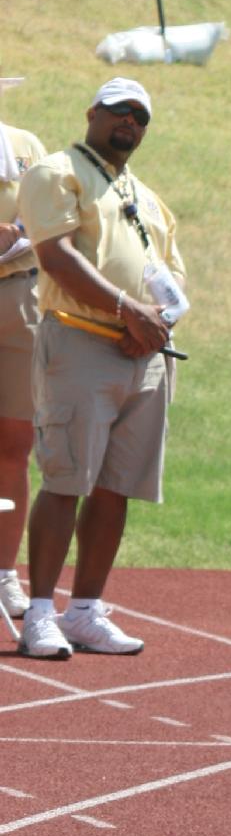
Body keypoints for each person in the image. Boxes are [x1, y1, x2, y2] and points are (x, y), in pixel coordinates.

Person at [17, 77, 186, 660]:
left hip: (144, 354)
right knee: (66, 478)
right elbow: (55, 256)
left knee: (117, 487)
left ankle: (85, 610)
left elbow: (173, 273)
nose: (129, 122)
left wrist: (157, 322)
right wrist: (127, 311)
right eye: (119, 111)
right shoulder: (57, 172)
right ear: (92, 112)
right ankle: (40, 612)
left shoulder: (148, 197)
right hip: (81, 341)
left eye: (140, 116)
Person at [0, 74, 46, 625]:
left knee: (15, 445)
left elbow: (50, 218)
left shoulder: (26, 145)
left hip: (21, 296)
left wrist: (15, 233)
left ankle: (4, 572)